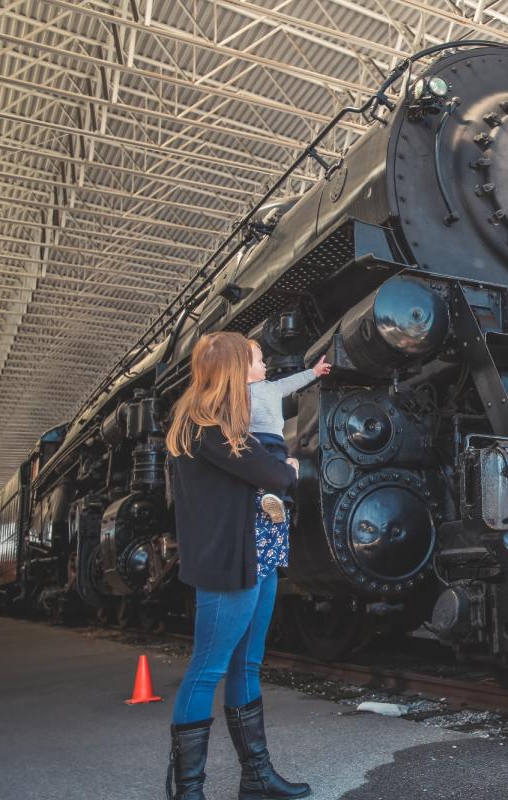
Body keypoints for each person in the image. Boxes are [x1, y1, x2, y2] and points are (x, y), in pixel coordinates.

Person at [164, 331, 310, 800]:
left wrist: (280, 469)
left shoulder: (224, 425)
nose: (262, 365)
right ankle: (188, 790)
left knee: (246, 663)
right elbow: (273, 474)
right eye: (256, 359)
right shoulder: (205, 425)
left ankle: (256, 778)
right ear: (231, 369)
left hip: (258, 553)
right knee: (208, 669)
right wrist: (287, 468)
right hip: (230, 562)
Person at [246, 341, 331, 524]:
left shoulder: (272, 387)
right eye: (260, 362)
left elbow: (292, 382)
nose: (265, 365)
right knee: (270, 468)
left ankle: (281, 502)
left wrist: (314, 372)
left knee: (282, 467)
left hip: (273, 438)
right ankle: (273, 501)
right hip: (253, 438)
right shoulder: (238, 393)